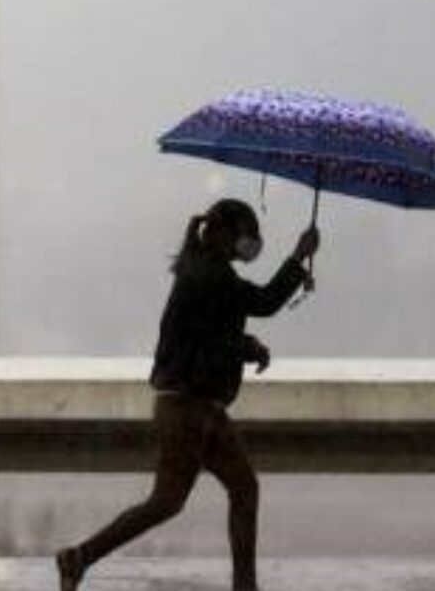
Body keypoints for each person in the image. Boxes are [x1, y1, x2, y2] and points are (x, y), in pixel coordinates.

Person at [55, 197, 321, 591]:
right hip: (187, 410)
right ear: (225, 235)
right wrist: (298, 258)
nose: (252, 243)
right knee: (168, 501)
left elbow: (213, 337)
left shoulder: (206, 274)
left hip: (202, 409)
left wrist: (249, 348)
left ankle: (244, 586)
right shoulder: (210, 276)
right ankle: (79, 558)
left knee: (242, 488)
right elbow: (262, 303)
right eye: (248, 235)